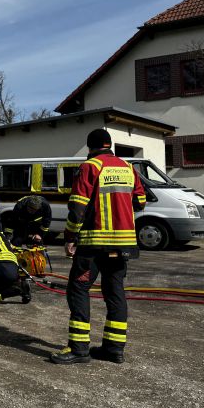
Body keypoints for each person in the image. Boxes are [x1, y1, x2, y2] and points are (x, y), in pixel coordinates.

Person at [50, 128, 146, 365]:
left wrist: (70, 237)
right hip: (123, 244)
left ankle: (79, 348)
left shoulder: (90, 166)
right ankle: (114, 349)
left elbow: (78, 207)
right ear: (109, 145)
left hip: (94, 245)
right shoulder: (127, 167)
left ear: (90, 147)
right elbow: (141, 202)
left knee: (79, 290)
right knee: (114, 292)